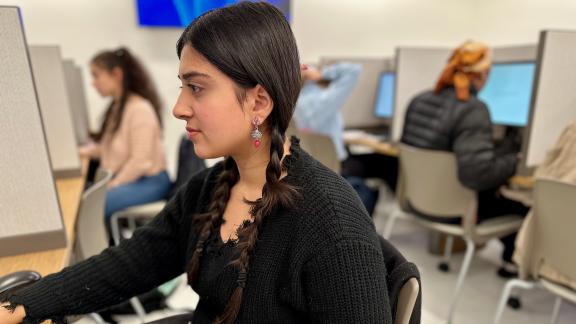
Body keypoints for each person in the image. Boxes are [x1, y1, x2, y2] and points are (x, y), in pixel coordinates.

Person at [0, 3, 391, 324]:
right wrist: (25, 304)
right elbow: (131, 263)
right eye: (181, 86)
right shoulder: (212, 187)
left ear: (258, 102)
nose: (178, 108)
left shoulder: (332, 224)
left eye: (197, 88)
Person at [401, 40, 529, 277]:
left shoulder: (419, 100)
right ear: (483, 74)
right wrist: (517, 160)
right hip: (454, 212)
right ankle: (510, 266)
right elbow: (476, 174)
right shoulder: (473, 109)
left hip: (419, 203)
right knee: (523, 206)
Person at [79, 47, 171, 235]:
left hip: (149, 181)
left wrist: (114, 184)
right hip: (134, 179)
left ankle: (106, 253)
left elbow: (141, 161)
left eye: (96, 76)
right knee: (91, 200)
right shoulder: (118, 107)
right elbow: (109, 148)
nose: (93, 83)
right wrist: (82, 151)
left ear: (116, 74)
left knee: (94, 205)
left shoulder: (139, 109)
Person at [293, 62, 361, 161]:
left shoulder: (295, 102)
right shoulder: (322, 100)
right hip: (333, 165)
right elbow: (354, 70)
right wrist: (323, 73)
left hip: (313, 163)